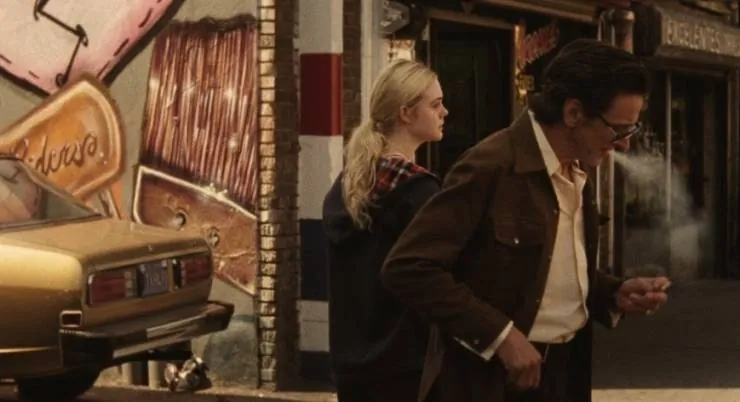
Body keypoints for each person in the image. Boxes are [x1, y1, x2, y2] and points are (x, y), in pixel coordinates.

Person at [381, 39, 670, 402]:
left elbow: (542, 266)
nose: (624, 145)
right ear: (573, 113)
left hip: (564, 372)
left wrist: (611, 293)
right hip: (491, 384)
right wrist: (501, 336)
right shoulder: (490, 166)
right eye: (619, 130)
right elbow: (409, 267)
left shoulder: (577, 167)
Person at [322, 59, 448, 402]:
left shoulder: (348, 184)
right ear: (406, 113)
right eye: (435, 105)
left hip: (352, 365)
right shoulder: (418, 192)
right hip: (404, 364)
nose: (444, 112)